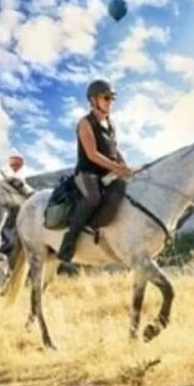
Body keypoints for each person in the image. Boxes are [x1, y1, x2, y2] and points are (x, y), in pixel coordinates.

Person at [56, 79, 133, 263]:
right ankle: (70, 240)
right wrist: (116, 168)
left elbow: (114, 150)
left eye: (111, 99)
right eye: (106, 98)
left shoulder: (111, 124)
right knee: (93, 197)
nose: (110, 102)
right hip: (87, 172)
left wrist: (125, 167)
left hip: (107, 171)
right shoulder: (85, 123)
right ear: (93, 100)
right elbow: (92, 154)